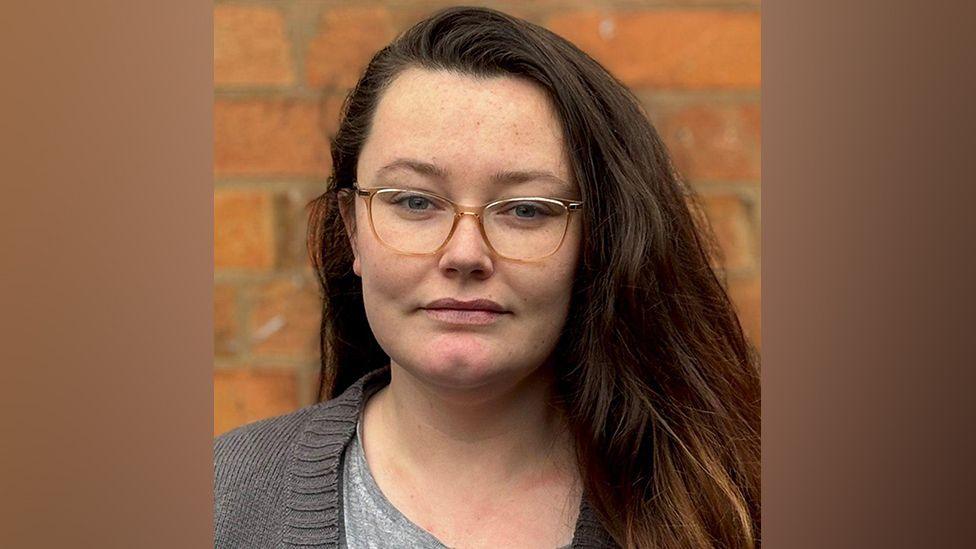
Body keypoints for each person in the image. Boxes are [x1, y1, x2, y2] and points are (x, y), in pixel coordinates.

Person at [215, 6, 760, 549]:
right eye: (413, 201)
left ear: (597, 242)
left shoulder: (732, 508)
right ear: (353, 231)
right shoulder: (221, 503)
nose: (465, 253)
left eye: (525, 209)